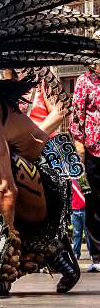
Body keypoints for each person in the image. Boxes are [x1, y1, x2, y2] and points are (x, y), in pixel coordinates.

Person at [69, 65, 100, 272]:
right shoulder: (84, 81)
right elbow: (77, 116)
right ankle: (97, 255)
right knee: (95, 203)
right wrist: (79, 146)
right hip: (93, 151)